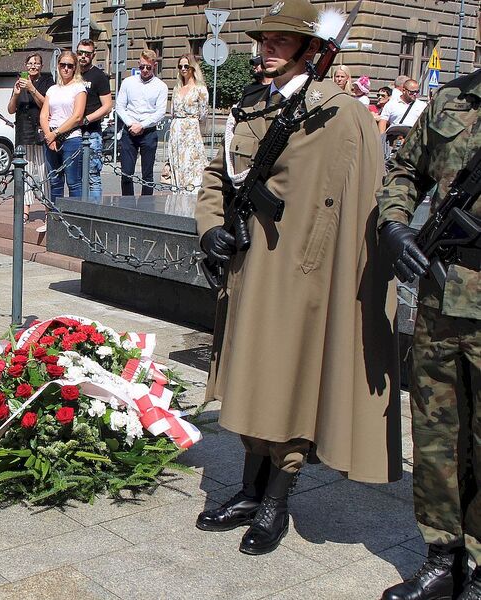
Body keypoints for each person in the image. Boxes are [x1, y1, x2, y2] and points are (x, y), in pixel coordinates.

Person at [194, 0, 402, 556]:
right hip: (246, 267)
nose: (266, 49)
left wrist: (326, 273)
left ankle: (275, 501)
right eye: (264, 40)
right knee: (247, 377)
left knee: (286, 382)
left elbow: (359, 208)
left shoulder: (341, 115)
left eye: (281, 42)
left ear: (314, 51)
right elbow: (218, 176)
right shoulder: (252, 104)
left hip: (301, 277)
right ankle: (247, 488)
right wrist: (211, 227)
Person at [376, 68, 481, 600]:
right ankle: (442, 555)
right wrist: (395, 223)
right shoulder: (451, 98)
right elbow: (403, 167)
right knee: (437, 434)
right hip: (442, 295)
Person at [7, 52, 54, 224]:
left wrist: (32, 89)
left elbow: (47, 105)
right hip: (23, 132)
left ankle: (47, 209)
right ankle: (25, 210)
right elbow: (11, 110)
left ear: (42, 66)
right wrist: (16, 93)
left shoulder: (47, 82)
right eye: (30, 63)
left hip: (40, 131)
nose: (33, 66)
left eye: (37, 63)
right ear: (25, 65)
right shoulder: (19, 82)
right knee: (25, 171)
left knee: (43, 172)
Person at [115, 50, 168, 197]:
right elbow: (119, 106)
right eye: (142, 67)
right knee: (126, 173)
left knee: (147, 175)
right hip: (129, 131)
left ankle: (146, 208)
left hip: (148, 133)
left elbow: (160, 113)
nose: (144, 70)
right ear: (138, 65)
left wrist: (142, 125)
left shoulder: (161, 86)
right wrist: (131, 123)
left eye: (148, 67)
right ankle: (127, 207)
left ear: (154, 66)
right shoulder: (128, 83)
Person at [39, 50, 87, 207]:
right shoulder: (52, 89)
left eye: (70, 66)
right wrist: (48, 135)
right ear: (58, 66)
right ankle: (55, 217)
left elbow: (77, 117)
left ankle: (75, 217)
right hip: (51, 137)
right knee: (54, 180)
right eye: (62, 65)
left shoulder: (79, 88)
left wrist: (55, 133)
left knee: (73, 182)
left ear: (75, 68)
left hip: (71, 138)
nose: (66, 69)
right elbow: (44, 114)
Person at [166, 54, 208, 193]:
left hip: (191, 130)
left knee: (191, 165)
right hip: (176, 130)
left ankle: (191, 196)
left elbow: (203, 114)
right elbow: (172, 111)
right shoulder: (177, 88)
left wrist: (193, 127)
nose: (183, 69)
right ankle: (177, 195)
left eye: (186, 66)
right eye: (180, 66)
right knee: (177, 164)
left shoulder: (200, 89)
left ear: (193, 68)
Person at [77, 39, 113, 200]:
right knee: (75, 178)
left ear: (93, 55)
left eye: (87, 54)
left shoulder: (99, 76)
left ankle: (94, 215)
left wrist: (86, 119)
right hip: (72, 132)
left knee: (93, 177)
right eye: (80, 53)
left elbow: (107, 106)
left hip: (91, 133)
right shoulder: (72, 73)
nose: (83, 56)